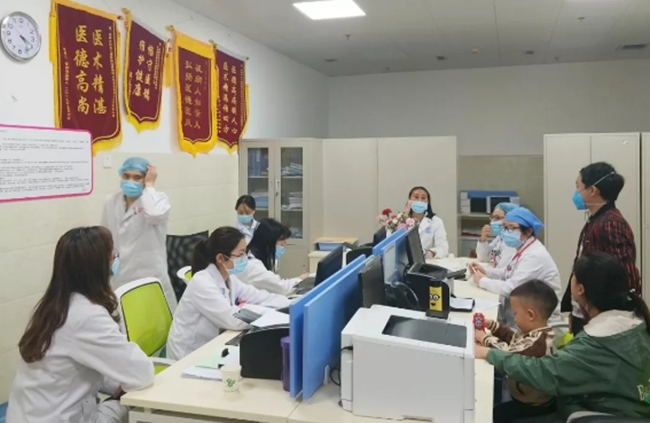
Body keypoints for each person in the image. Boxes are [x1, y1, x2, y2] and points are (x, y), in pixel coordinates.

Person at [476, 252, 650, 420]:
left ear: (580, 289)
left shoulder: (596, 343)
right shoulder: (635, 323)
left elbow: (543, 372)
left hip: (591, 413)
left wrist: (488, 352)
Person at [7, 227, 154, 423]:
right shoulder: (87, 316)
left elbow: (89, 362)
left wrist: (121, 380)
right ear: (98, 267)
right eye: (112, 255)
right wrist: (124, 382)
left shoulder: (51, 307)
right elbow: (141, 373)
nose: (115, 258)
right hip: (59, 417)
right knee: (138, 404)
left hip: (29, 415)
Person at [166, 227, 291, 360]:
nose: (245, 259)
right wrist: (269, 316)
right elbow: (232, 319)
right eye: (240, 254)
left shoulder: (230, 279)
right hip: (187, 355)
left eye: (245, 253)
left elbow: (258, 296)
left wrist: (290, 305)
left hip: (211, 346)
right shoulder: (202, 282)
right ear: (220, 258)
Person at [562, 162, 640, 335]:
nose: (576, 193)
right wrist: (575, 308)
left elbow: (625, 275)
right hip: (586, 311)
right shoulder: (595, 221)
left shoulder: (611, 223)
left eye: (578, 187)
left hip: (601, 318)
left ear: (592, 190)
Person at [475, 280, 558, 423]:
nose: (514, 318)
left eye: (515, 313)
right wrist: (494, 327)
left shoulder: (538, 344)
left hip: (533, 405)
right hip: (523, 395)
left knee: (494, 415)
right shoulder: (534, 333)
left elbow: (510, 356)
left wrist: (485, 339)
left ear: (530, 315)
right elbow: (514, 340)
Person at [101, 157, 177, 311]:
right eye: (126, 176)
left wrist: (150, 186)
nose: (130, 181)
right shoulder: (111, 201)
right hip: (120, 274)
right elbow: (104, 235)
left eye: (137, 177)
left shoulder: (157, 200)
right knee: (125, 319)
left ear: (146, 178)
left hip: (149, 273)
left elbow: (154, 215)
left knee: (157, 319)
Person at [470, 207, 562, 329]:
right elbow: (507, 271)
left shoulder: (534, 255)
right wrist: (486, 271)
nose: (506, 232)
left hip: (542, 325)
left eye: (511, 228)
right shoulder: (523, 247)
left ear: (528, 231)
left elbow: (511, 288)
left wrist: (482, 281)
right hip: (525, 315)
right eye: (504, 227)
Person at [238, 218, 310, 295]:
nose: (282, 248)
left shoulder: (259, 258)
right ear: (268, 243)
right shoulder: (253, 266)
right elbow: (281, 288)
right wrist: (300, 279)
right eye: (281, 244)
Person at [406, 186, 449, 258]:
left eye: (423, 198)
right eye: (416, 197)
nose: (419, 201)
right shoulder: (400, 220)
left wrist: (431, 253)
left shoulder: (436, 222)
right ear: (409, 200)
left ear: (428, 202)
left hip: (428, 261)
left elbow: (443, 248)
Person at [476, 202, 518, 268]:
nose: (493, 221)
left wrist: (485, 272)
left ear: (510, 219)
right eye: (492, 217)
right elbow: (483, 258)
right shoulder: (500, 237)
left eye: (497, 218)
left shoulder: (512, 241)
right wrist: (483, 239)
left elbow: (504, 269)